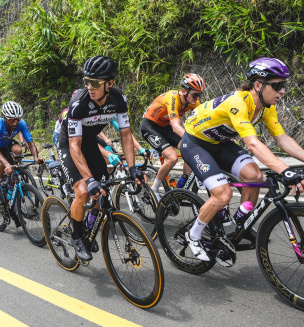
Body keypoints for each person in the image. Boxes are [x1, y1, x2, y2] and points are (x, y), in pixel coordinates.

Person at [180, 57, 304, 261]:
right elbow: (252, 144)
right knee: (223, 195)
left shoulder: (266, 107)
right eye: (277, 85)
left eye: (284, 86)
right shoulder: (238, 103)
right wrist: (284, 170)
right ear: (258, 85)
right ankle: (193, 235)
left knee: (255, 176)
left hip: (220, 143)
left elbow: (281, 139)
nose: (282, 91)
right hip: (195, 144)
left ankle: (238, 227)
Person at [58, 55, 143, 261]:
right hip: (70, 144)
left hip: (89, 144)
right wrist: (88, 179)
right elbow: (74, 145)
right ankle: (78, 236)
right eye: (87, 81)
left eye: (95, 82)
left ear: (110, 83)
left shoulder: (118, 100)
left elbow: (125, 135)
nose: (89, 86)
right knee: (83, 191)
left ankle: (88, 227)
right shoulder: (79, 102)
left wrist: (133, 169)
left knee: (102, 190)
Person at [140, 73, 206, 200]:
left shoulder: (193, 101)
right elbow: (176, 127)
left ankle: (182, 185)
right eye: (195, 94)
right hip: (150, 126)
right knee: (172, 157)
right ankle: (154, 189)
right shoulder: (173, 98)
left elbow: (204, 120)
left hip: (164, 126)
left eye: (200, 95)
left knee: (188, 148)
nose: (197, 98)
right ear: (183, 91)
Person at [0, 101, 44, 227]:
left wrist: (36, 157)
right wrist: (6, 165)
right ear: (5, 118)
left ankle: (10, 187)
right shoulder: (0, 125)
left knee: (16, 155)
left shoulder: (21, 123)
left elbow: (30, 142)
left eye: (17, 119)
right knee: (2, 166)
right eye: (12, 119)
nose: (15, 122)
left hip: (6, 145)